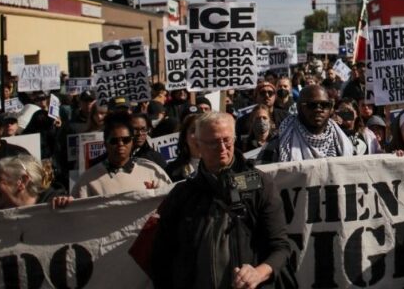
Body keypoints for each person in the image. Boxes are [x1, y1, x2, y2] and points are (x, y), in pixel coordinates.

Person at [151, 112, 294, 289]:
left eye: (227, 140)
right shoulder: (183, 194)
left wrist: (258, 273)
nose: (222, 148)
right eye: (213, 142)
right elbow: (161, 257)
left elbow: (281, 248)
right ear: (197, 145)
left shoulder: (258, 183)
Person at [72, 112, 171, 198]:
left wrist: (155, 197)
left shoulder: (151, 170)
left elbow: (170, 200)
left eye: (126, 140)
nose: (120, 144)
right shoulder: (87, 180)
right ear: (105, 144)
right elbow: (75, 212)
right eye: (114, 141)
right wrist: (64, 203)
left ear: (132, 142)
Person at [265, 85, 353, 162]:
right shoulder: (278, 144)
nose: (318, 109)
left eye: (324, 105)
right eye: (312, 105)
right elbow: (260, 177)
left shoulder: (343, 142)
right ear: (299, 108)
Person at [167, 114, 201, 182]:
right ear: (185, 136)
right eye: (193, 130)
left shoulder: (220, 165)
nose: (198, 135)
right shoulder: (172, 170)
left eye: (202, 130)